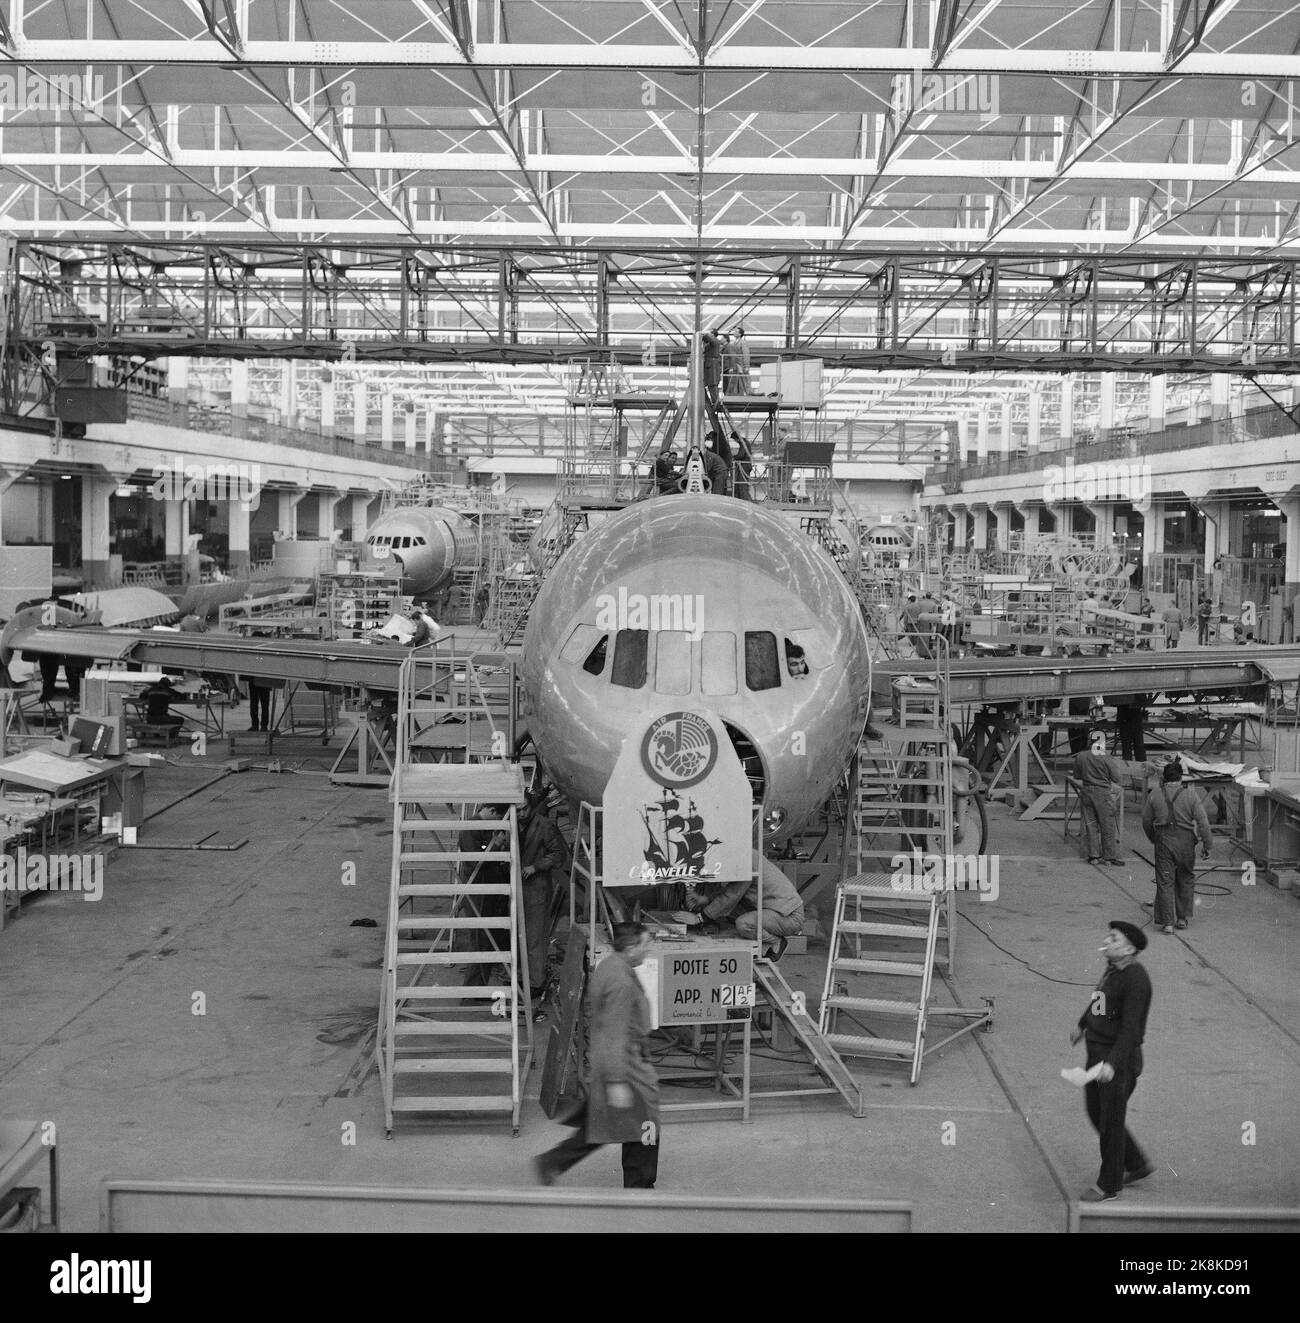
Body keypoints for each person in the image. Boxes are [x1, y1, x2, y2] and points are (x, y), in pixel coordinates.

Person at [534, 922, 660, 1189]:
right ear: (631, 947)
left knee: (602, 1125)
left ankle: (553, 1161)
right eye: (645, 944)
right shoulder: (622, 982)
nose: (648, 949)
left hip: (613, 1065)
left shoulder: (610, 965)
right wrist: (617, 1082)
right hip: (627, 1069)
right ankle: (640, 1186)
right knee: (645, 1127)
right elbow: (615, 1033)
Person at [1069, 920, 1155, 1202]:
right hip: (1097, 1055)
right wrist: (1083, 1025)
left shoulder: (1136, 980)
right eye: (1109, 936)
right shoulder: (1113, 970)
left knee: (1111, 1121)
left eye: (1114, 939)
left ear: (1129, 949)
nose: (1107, 941)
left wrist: (1112, 1064)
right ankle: (1136, 1163)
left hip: (1117, 1060)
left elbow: (1131, 1030)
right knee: (1098, 1114)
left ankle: (1109, 1185)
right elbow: (1100, 1001)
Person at [1141, 761, 1212, 934]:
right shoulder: (1191, 796)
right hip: (1186, 843)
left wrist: (1153, 839)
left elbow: (1146, 821)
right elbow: (1203, 823)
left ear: (1164, 778)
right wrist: (1207, 846)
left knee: (1165, 881)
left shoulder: (1155, 794)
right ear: (1181, 778)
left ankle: (1168, 923)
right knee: (1185, 878)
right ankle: (1182, 918)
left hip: (1164, 842)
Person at [687, 854, 803, 956]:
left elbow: (732, 895)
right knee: (730, 913)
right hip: (775, 909)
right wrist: (707, 899)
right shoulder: (743, 852)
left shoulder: (745, 860)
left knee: (743, 924)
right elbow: (732, 887)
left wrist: (700, 917)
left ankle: (775, 942)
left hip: (789, 915)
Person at [518, 790, 568, 1004]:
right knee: (523, 937)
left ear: (531, 806)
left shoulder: (545, 825)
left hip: (536, 889)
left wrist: (536, 866)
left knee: (535, 938)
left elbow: (559, 855)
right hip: (518, 887)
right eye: (517, 810)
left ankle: (536, 983)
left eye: (524, 809)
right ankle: (526, 977)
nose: (520, 813)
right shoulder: (515, 823)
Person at [1071, 738, 1124, 865]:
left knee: (1091, 824)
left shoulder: (1081, 756)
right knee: (1107, 825)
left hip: (1087, 792)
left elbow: (1076, 776)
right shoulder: (1105, 757)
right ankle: (1109, 856)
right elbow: (1116, 778)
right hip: (1102, 794)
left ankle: (1094, 856)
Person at [1114, 696, 1147, 762]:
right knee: (1138, 744)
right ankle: (1141, 765)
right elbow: (1144, 701)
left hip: (1126, 717)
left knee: (1127, 745)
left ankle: (1129, 766)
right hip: (1133, 717)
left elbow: (1113, 702)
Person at [701, 329, 723, 404]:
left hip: (712, 365)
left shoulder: (715, 341)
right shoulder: (711, 343)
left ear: (713, 335)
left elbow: (709, 339)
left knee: (712, 383)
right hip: (710, 365)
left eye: (710, 333)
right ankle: (715, 400)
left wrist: (702, 335)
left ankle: (715, 400)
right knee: (711, 384)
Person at [732, 325, 752, 394]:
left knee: (745, 380)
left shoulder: (743, 342)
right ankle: (740, 393)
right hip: (736, 365)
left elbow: (746, 354)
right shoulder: (733, 342)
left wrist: (746, 366)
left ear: (740, 334)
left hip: (742, 365)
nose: (734, 332)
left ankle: (749, 393)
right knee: (739, 381)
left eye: (736, 331)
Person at [722, 331, 743, 396]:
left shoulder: (729, 346)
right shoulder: (724, 347)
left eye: (722, 338)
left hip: (728, 368)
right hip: (725, 369)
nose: (721, 339)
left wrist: (732, 368)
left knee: (729, 385)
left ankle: (730, 397)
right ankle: (726, 396)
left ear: (725, 339)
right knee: (725, 385)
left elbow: (732, 356)